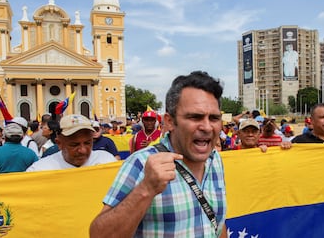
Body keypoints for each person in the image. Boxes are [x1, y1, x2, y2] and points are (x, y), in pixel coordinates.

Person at [90, 71, 228, 237]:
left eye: (214, 118)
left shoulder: (215, 160)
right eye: (195, 117)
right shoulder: (141, 163)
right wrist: (146, 189)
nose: (207, 127)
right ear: (169, 122)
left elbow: (216, 224)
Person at [27, 114, 116, 172]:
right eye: (74, 145)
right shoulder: (41, 170)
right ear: (59, 143)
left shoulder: (107, 161)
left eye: (88, 143)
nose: (82, 150)